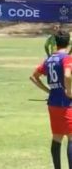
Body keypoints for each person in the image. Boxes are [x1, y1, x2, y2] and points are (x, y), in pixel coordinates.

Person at [30, 30, 72, 169]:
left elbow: (33, 77)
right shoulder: (66, 58)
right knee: (71, 137)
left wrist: (48, 90)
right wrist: (69, 91)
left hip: (53, 102)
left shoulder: (49, 59)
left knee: (57, 137)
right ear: (68, 42)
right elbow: (67, 75)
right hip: (66, 103)